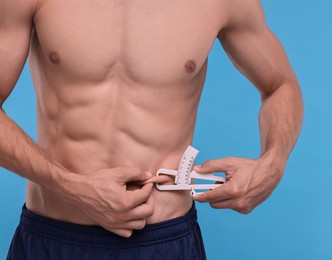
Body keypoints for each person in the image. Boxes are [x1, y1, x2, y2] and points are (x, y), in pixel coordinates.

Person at [0, 0, 303, 259]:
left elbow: (280, 85)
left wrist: (273, 162)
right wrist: (70, 186)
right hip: (54, 237)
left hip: (165, 242)